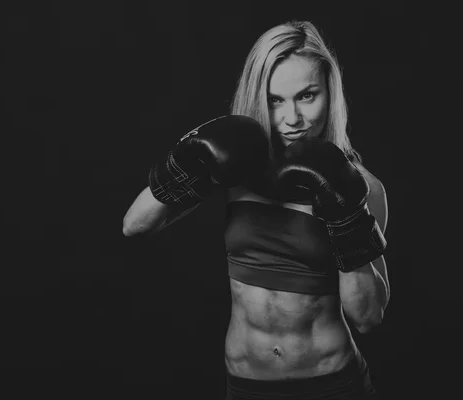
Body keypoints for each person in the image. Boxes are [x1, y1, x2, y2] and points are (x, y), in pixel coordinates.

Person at [123, 20, 390, 400]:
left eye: (307, 95)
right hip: (246, 387)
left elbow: (367, 316)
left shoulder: (361, 186)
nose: (292, 119)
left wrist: (344, 212)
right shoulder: (235, 167)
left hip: (333, 385)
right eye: (275, 99)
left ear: (330, 94)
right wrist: (186, 158)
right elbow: (135, 225)